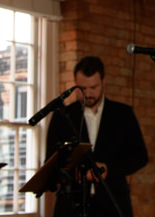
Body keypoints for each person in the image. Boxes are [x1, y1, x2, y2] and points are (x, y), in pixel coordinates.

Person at [45, 55, 149, 217]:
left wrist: (109, 169)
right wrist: (73, 172)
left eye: (93, 87)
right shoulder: (62, 116)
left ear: (103, 82)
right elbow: (50, 162)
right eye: (82, 89)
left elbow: (140, 156)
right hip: (71, 205)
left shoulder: (123, 114)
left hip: (113, 203)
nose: (88, 94)